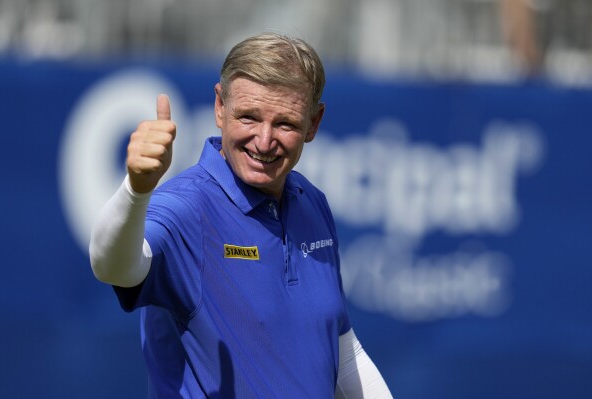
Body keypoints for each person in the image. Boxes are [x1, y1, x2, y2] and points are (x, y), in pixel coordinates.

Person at [89, 32, 393, 398]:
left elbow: (345, 354)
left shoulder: (312, 202)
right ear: (220, 107)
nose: (264, 141)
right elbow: (111, 267)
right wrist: (136, 190)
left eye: (286, 124)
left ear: (314, 123)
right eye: (248, 117)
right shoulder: (187, 207)